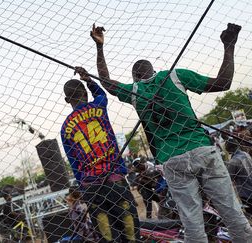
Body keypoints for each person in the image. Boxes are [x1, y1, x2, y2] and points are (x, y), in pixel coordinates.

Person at [88, 22, 252, 242]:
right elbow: (223, 83)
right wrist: (228, 46)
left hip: (172, 159)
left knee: (192, 223)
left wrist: (99, 47)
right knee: (232, 214)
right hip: (201, 148)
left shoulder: (135, 91)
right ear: (154, 71)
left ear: (135, 77)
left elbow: (107, 82)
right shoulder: (175, 76)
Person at [61, 69, 140, 242]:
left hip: (91, 185)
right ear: (85, 94)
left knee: (107, 234)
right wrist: (89, 80)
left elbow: (73, 162)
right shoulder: (98, 106)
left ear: (67, 100)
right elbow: (100, 93)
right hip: (114, 177)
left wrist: (83, 186)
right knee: (130, 228)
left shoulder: (65, 127)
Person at [225, 138, 252, 215]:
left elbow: (229, 177)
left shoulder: (234, 161)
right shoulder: (246, 154)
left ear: (230, 149)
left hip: (246, 193)